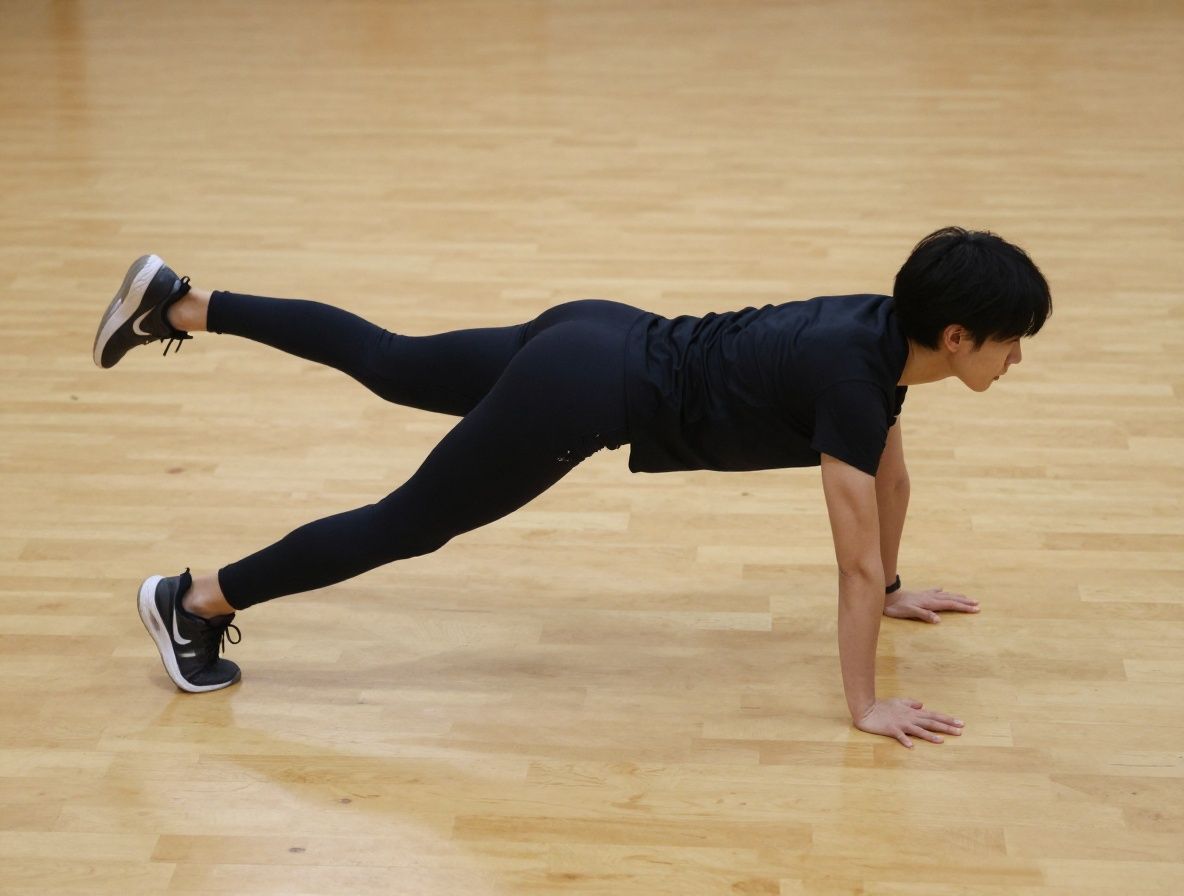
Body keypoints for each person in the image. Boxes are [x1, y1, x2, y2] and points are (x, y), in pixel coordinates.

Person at [93, 226, 1050, 748]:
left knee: (391, 361)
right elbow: (848, 557)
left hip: (596, 332)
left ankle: (181, 300)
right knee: (404, 526)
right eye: (1011, 341)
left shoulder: (879, 336)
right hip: (586, 393)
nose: (1016, 360)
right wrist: (865, 701)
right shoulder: (857, 378)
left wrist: (892, 591)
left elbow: (889, 470)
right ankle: (192, 601)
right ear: (956, 336)